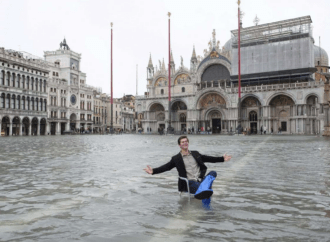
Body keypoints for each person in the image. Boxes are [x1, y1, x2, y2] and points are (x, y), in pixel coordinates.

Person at [143, 136, 232, 200]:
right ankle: (204, 190)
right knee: (201, 187)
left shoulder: (195, 154)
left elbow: (209, 158)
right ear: (179, 145)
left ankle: (203, 189)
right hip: (188, 182)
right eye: (183, 142)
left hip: (200, 179)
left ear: (188, 143)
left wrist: (222, 159)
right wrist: (153, 171)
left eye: (186, 141)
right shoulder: (176, 158)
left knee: (213, 173)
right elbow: (166, 167)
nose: (185, 143)